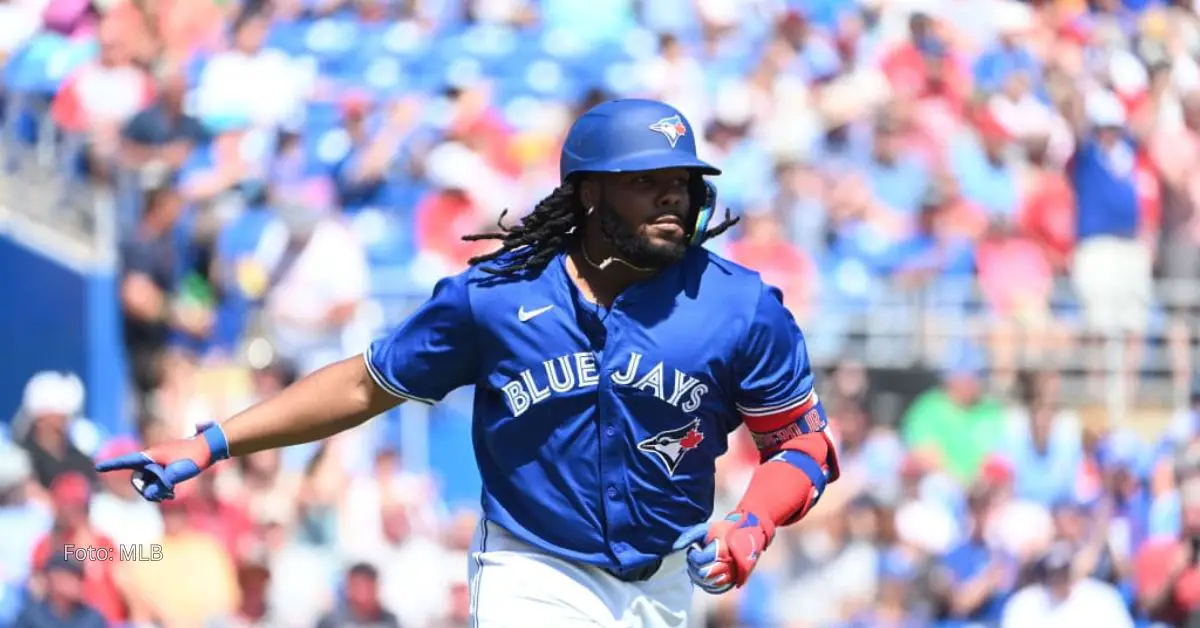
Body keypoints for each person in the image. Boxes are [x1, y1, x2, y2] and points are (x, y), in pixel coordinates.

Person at [95, 98, 841, 627]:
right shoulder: (494, 298)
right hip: (535, 568)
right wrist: (211, 442)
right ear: (587, 193)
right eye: (647, 181)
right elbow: (364, 383)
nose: (672, 196)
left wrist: (753, 519)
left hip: (668, 584)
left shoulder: (739, 305)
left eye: (682, 181)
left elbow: (804, 445)